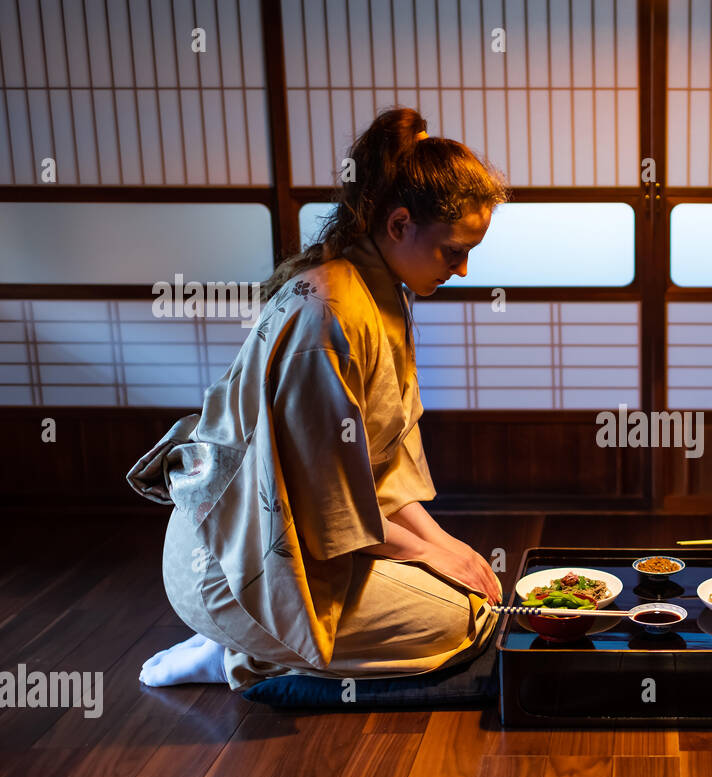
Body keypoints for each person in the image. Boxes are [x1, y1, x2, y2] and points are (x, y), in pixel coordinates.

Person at [128, 108, 509, 691]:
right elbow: (319, 501)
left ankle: (244, 641)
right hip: (232, 564)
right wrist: (433, 558)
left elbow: (383, 471)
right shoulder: (328, 314)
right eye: (453, 250)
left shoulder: (379, 291)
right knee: (462, 617)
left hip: (298, 544)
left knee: (472, 585)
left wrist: (447, 547)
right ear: (400, 223)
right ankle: (234, 646)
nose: (462, 269)